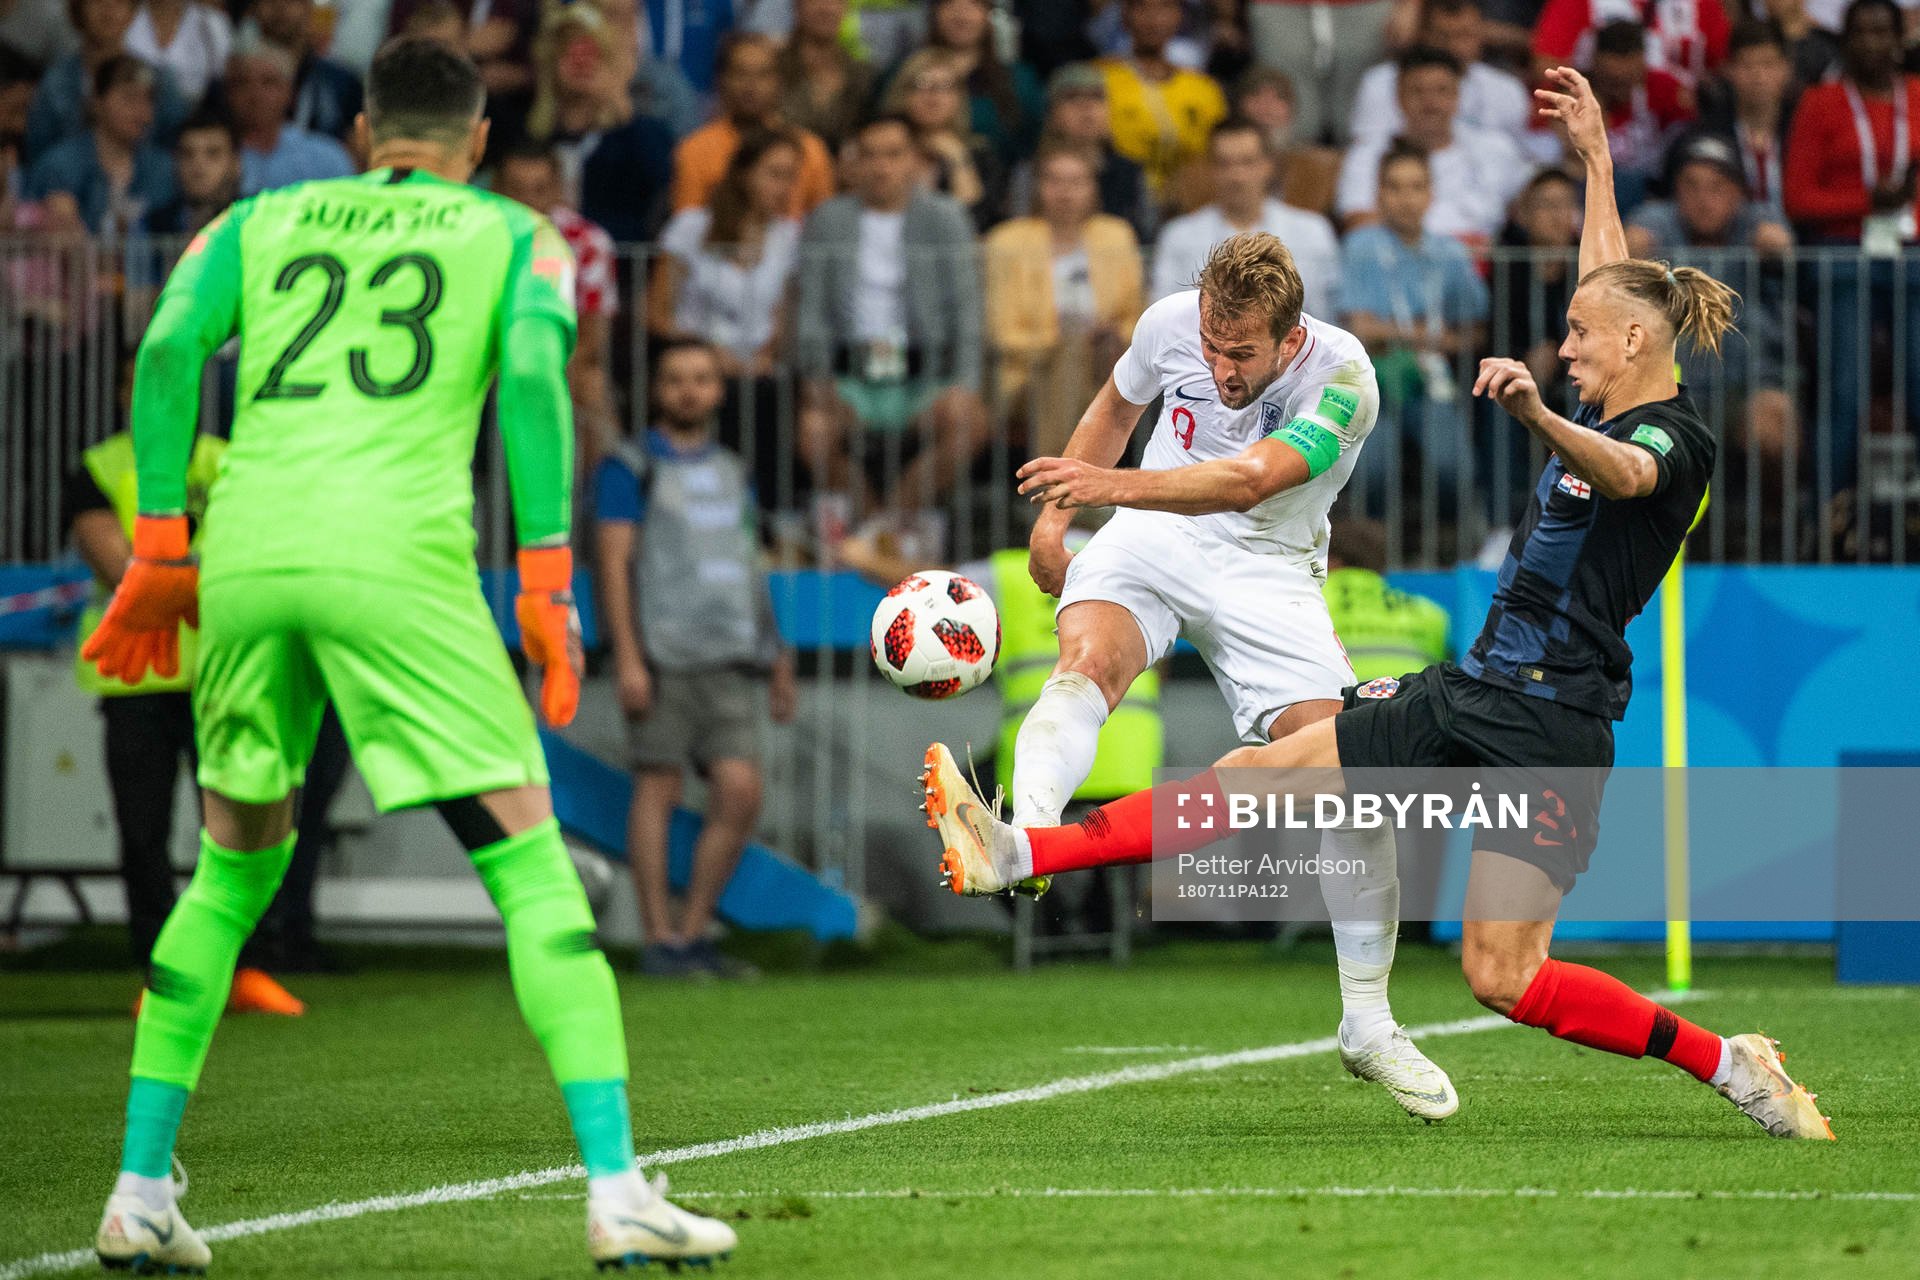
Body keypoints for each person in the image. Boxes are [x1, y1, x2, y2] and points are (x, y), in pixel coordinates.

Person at [923, 66, 1836, 1144]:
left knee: (1508, 973)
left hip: (1560, 720)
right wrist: (1594, 159)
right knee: (1259, 778)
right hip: (1475, 691)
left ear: (1633, 349)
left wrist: (1542, 413)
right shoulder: (1619, 361)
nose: (1567, 345)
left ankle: (1728, 1058)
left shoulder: (1671, 440)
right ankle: (1028, 850)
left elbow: (1627, 475)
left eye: (1583, 338)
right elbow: (1612, 284)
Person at [83, 37, 738, 1272]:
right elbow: (539, 375)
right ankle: (616, 1188)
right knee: (536, 869)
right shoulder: (514, 237)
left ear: (366, 132)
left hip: (250, 554)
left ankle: (136, 1188)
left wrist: (160, 544)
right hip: (398, 558)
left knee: (230, 869)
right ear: (480, 140)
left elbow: (167, 351)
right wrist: (548, 577)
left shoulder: (251, 221)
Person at [957, 228, 1458, 1122]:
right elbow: (1115, 408)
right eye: (1212, 347)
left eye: (1243, 354)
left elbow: (1248, 481)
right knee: (1084, 668)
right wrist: (1054, 518)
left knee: (1349, 777)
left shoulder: (1344, 380)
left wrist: (1099, 492)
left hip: (1269, 564)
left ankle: (1368, 1023)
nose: (1222, 369)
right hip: (1153, 540)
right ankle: (1025, 840)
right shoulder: (1168, 324)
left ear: (1290, 337)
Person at [65, 419, 308, 1016]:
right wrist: (204, 578)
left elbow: (257, 549)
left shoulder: (229, 459)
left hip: (226, 671)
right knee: (143, 833)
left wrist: (169, 578)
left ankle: (248, 968)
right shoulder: (102, 464)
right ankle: (163, 975)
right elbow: (117, 566)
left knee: (247, 821)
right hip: (137, 678)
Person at [594, 339, 798, 979]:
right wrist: (627, 656)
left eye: (703, 379)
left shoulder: (734, 470)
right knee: (658, 785)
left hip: (733, 655)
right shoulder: (629, 466)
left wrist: (778, 653)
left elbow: (749, 564)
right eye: (677, 379)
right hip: (663, 656)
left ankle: (693, 931)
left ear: (718, 390)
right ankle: (659, 939)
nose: (690, 390)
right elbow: (612, 564)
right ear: (657, 390)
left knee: (740, 790)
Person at [794, 113, 988, 540]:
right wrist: (818, 379)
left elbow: (968, 311)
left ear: (915, 161)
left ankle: (893, 522)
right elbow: (811, 311)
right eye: (871, 155)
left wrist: (964, 383)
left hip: (924, 374)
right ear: (853, 162)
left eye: (894, 154)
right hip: (852, 373)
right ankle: (871, 526)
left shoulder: (945, 218)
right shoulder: (828, 219)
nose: (882, 166)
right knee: (814, 431)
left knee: (968, 421)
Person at [1782, 0, 1920, 496]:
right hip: (1841, 256)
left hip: (1912, 255)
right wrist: (1869, 201)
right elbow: (1797, 198)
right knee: (1845, 392)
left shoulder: (1919, 98)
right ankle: (1825, 522)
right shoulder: (1821, 102)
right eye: (1861, 33)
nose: (1873, 44)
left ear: (1899, 40)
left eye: (1883, 32)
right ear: (1845, 41)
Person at [1339, 140, 1489, 518]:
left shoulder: (1449, 253)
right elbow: (1359, 329)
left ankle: (1446, 558)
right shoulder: (1360, 246)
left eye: (1416, 186)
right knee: (1371, 472)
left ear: (1430, 193)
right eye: (1395, 187)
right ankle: (1374, 559)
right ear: (1379, 194)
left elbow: (1474, 331)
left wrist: (1391, 331)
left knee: (1453, 468)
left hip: (1430, 379)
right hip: (1370, 381)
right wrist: (1430, 332)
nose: (1406, 198)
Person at [985, 142, 1145, 460]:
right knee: (1068, 360)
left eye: (1076, 182)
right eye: (1053, 181)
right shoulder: (1007, 241)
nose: (1064, 192)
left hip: (1107, 364)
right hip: (1029, 375)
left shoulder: (1116, 235)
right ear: (1037, 187)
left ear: (1093, 188)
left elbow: (1136, 314)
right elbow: (1003, 335)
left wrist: (1112, 337)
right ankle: (1064, 494)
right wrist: (1066, 345)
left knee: (1093, 364)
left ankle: (1061, 494)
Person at [492, 141, 622, 477]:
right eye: (516, 190)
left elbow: (592, 338)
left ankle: (596, 504)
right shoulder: (473, 237)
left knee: (590, 382)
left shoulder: (587, 242)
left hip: (558, 363)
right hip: (487, 361)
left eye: (539, 190)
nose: (527, 202)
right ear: (495, 188)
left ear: (559, 190)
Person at [1336, 45, 1535, 243]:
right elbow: (1359, 225)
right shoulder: (1368, 155)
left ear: (1457, 96)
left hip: (1482, 269)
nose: (1430, 103)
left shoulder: (1497, 149)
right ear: (1399, 97)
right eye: (1418, 91)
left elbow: (1533, 208)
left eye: (1441, 91)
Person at [519, 0, 674, 244]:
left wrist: (616, 97)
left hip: (616, 267)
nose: (581, 62)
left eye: (593, 52)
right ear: (550, 60)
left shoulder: (639, 135)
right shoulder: (525, 130)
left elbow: (659, 189)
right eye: (567, 50)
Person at [1151, 117, 1340, 315]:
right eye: (1225, 164)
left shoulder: (1313, 231)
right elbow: (1164, 317)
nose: (1236, 175)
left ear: (1268, 165)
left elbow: (1332, 320)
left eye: (1247, 162)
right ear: (1211, 169)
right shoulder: (1179, 236)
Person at [670, 31, 834, 218]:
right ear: (721, 80)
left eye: (763, 74)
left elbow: (824, 236)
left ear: (779, 82)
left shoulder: (810, 149)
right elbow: (685, 229)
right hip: (718, 246)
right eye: (740, 73)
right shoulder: (694, 150)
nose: (751, 85)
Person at [1349, 0, 1534, 154]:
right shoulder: (1380, 82)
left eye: (1464, 35)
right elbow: (1368, 151)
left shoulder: (1508, 88)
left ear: (1481, 35)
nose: (1456, 47)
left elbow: (1516, 156)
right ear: (1425, 35)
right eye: (1445, 36)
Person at [23, 53, 174, 235]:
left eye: (149, 100)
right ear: (97, 102)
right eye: (129, 98)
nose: (142, 112)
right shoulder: (60, 165)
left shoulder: (163, 169)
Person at [1005, 60, 1155, 241]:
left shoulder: (1130, 172)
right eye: (1073, 97)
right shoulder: (1030, 170)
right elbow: (1016, 235)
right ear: (1052, 113)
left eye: (1097, 97)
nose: (1087, 107)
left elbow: (1147, 240)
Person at [25, 0, 188, 160]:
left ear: (132, 13)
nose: (109, 8)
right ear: (79, 10)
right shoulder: (56, 82)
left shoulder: (159, 80)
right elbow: (39, 154)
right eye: (97, 1)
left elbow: (178, 149)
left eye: (119, 1)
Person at [1097, 0, 1228, 199]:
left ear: (1179, 16)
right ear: (1125, 16)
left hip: (1190, 202)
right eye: (1142, 8)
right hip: (1118, 199)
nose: (1154, 20)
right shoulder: (1100, 78)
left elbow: (1217, 153)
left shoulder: (1204, 88)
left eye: (1165, 8)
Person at [1245, 0, 1405, 145]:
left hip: (1365, 5)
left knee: (1360, 116)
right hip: (1280, 6)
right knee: (1290, 111)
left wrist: (1411, 4)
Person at [1682, 18, 1797, 212]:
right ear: (1729, 70)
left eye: (1768, 65)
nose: (1758, 76)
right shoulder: (1708, 133)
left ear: (1786, 69)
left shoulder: (1804, 128)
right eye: (1746, 65)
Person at [882, 47, 1004, 229]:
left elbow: (974, 223)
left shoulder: (980, 154)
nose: (933, 96)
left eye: (945, 87)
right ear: (903, 93)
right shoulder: (878, 147)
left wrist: (957, 157)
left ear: (959, 98)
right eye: (922, 84)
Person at [1585, 19, 1696, 211]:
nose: (1619, 85)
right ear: (1596, 65)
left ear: (1642, 63)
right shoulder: (1580, 94)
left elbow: (1689, 140)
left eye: (1626, 80)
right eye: (1611, 81)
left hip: (1654, 193)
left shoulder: (1665, 90)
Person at [921, 0, 1046, 163]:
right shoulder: (904, 74)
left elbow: (1035, 142)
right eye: (950, 4)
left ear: (988, 14)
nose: (961, 15)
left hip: (1001, 180)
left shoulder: (1019, 79)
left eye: (973, 5)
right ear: (934, 13)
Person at [225, 40, 354, 195]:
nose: (255, 95)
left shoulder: (327, 158)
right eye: (243, 83)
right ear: (228, 92)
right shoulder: (209, 157)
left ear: (290, 92)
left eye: (268, 82)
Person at [1532, 0, 1731, 91]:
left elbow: (1727, 63)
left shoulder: (1702, 4)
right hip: (1607, 114)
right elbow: (1545, 66)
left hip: (1679, 120)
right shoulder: (1582, 2)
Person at [246, 0, 364, 141]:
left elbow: (357, 149)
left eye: (291, 2)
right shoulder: (237, 81)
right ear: (253, 9)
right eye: (269, 1)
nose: (280, 7)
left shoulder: (342, 81)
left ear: (308, 7)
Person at [775, 0, 877, 152]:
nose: (826, 9)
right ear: (796, 6)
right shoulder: (772, 67)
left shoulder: (863, 74)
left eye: (836, 1)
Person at [140, 105, 236, 234]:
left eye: (213, 153)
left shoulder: (253, 220)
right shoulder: (151, 224)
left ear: (235, 164)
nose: (198, 164)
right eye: (187, 153)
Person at [126, 0, 231, 105]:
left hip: (194, 113)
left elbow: (226, 81)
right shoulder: (125, 15)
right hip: (130, 109)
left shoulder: (214, 24)